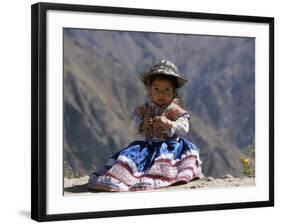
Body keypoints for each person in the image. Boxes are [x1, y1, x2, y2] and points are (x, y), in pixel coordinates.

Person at [88, 60, 203, 192]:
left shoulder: (175, 110)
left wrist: (169, 124)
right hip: (149, 147)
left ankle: (164, 176)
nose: (161, 94)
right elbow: (133, 127)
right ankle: (125, 178)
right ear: (149, 91)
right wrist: (142, 125)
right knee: (130, 160)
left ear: (174, 92)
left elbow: (184, 128)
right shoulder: (143, 110)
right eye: (156, 89)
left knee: (167, 163)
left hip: (171, 147)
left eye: (167, 89)